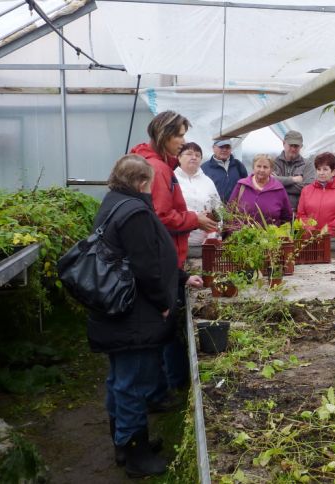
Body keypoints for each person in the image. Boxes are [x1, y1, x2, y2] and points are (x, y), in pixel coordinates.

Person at [87, 155, 196, 477]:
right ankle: (136, 455)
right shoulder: (134, 212)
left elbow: (144, 258)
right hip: (134, 314)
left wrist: (178, 278)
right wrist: (164, 299)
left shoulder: (114, 203)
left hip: (117, 310)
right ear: (142, 182)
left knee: (120, 379)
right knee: (134, 381)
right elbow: (146, 266)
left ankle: (124, 442)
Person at [131, 111, 214, 405]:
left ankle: (160, 388)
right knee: (160, 329)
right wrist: (194, 219)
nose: (183, 142)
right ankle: (158, 392)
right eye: (178, 135)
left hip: (165, 259)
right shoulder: (160, 170)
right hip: (163, 258)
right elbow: (160, 217)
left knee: (160, 329)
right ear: (164, 135)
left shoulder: (154, 165)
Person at [174, 142, 222, 247]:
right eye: (189, 154)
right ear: (179, 157)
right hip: (176, 242)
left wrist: (216, 230)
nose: (194, 157)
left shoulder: (208, 182)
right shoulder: (172, 179)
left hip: (204, 245)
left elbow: (218, 208)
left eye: (197, 155)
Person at [297, 152, 335, 238]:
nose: (321, 173)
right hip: (310, 239)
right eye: (319, 169)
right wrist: (311, 230)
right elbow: (301, 214)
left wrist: (326, 230)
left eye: (325, 169)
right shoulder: (306, 190)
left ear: (333, 172)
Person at [229, 153, 292, 226]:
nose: (262, 170)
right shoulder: (242, 185)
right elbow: (230, 211)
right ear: (253, 167)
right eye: (258, 166)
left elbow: (287, 217)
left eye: (265, 167)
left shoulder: (279, 189)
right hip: (243, 235)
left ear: (271, 170)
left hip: (270, 236)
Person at [274, 130, 316, 211]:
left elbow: (308, 188)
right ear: (283, 143)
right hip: (276, 211)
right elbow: (269, 183)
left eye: (296, 146)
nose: (293, 149)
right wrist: (293, 179)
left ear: (301, 146)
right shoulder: (273, 162)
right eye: (291, 145)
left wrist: (279, 182)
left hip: (298, 213)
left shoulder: (308, 164)